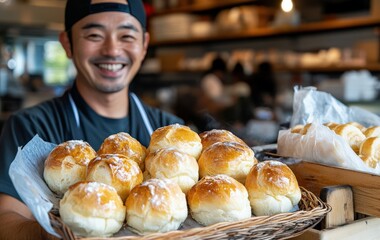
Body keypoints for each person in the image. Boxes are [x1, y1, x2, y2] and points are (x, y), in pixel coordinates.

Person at [0, 0, 184, 239]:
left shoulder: (172, 136)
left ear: (144, 45)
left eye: (126, 36)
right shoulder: (32, 127)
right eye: (95, 35)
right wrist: (58, 233)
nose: (112, 50)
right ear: (67, 43)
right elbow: (6, 221)